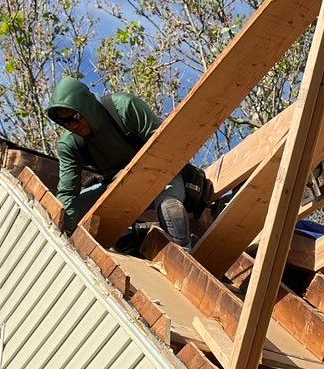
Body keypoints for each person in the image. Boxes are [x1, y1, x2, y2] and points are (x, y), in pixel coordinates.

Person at [48, 77, 211, 245]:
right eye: (65, 121)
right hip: (117, 188)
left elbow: (168, 147)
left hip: (160, 175)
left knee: (170, 209)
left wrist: (138, 175)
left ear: (86, 107)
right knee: (71, 211)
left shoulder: (124, 108)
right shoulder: (70, 145)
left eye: (75, 117)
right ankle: (127, 244)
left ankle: (184, 252)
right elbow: (67, 194)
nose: (72, 125)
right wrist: (61, 230)